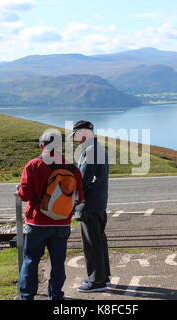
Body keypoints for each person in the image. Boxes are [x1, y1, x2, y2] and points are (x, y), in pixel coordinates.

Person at [17, 132, 84, 300]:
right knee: (58, 261)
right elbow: (80, 197)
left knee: (31, 260)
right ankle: (55, 295)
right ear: (61, 147)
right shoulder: (72, 167)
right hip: (62, 223)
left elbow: (24, 195)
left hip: (37, 222)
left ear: (42, 146)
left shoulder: (33, 165)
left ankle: (27, 295)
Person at [70, 120, 111, 293]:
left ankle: (96, 281)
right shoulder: (97, 147)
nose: (77, 140)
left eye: (77, 136)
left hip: (89, 204)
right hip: (98, 202)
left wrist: (73, 199)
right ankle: (102, 276)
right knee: (99, 240)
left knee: (91, 243)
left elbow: (84, 179)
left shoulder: (90, 150)